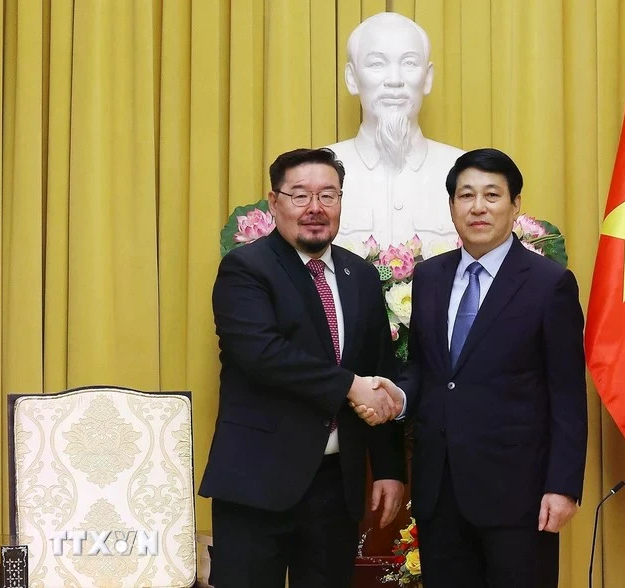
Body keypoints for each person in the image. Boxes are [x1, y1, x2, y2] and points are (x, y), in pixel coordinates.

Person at [358, 148, 588, 587]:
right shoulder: (429, 278)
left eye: (492, 195)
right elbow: (429, 372)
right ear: (451, 207)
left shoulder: (548, 284)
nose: (478, 207)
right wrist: (399, 397)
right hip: (440, 491)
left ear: (515, 205)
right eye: (466, 196)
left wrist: (563, 485)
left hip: (519, 494)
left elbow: (567, 394)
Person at [200, 148, 407, 588]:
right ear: (273, 202)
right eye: (300, 195)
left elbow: (379, 370)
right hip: (258, 481)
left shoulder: (361, 276)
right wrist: (350, 386)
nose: (315, 208)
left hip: (337, 485)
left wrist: (389, 467)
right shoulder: (246, 269)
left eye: (328, 195)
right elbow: (262, 354)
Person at [327, 12, 464, 250]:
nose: (394, 80)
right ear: (351, 78)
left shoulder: (465, 170)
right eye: (377, 64)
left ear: (428, 77)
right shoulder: (313, 173)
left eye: (409, 63)